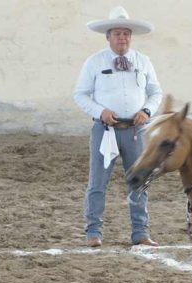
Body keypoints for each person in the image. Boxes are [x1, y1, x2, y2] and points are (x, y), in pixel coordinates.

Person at [74, 6, 163, 247]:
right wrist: (100, 111)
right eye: (117, 33)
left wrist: (146, 111)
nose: (122, 38)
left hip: (136, 131)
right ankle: (93, 232)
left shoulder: (143, 62)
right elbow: (80, 94)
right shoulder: (95, 62)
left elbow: (155, 92)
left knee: (139, 181)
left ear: (130, 37)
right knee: (98, 183)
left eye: (126, 34)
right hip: (106, 131)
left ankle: (140, 232)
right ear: (108, 36)